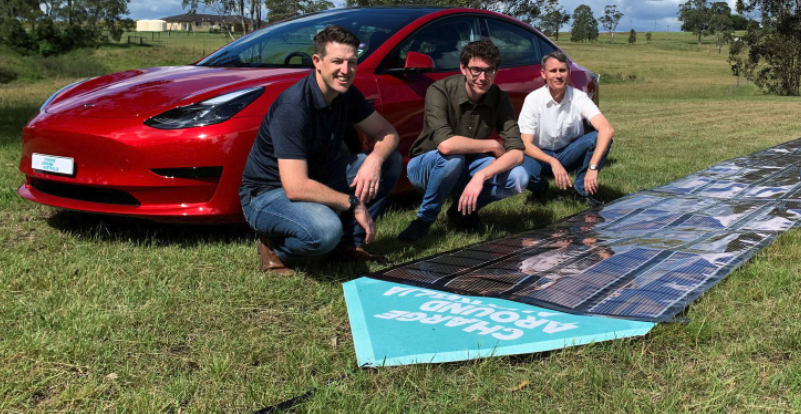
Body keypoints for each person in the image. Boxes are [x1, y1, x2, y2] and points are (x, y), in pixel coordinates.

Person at [240, 25, 402, 274]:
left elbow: (388, 133)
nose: (346, 71)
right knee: (326, 231)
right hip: (268, 193)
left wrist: (375, 160)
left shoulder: (346, 93)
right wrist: (353, 203)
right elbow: (295, 187)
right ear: (317, 61)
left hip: (316, 175)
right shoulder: (294, 107)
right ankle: (275, 247)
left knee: (389, 160)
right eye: (337, 61)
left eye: (352, 62)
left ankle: (350, 245)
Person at [399, 39, 529, 243]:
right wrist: (492, 145)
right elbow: (446, 145)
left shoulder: (499, 98)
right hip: (426, 166)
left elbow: (517, 153)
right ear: (463, 68)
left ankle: (462, 211)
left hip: (468, 166)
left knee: (519, 177)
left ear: (496, 71)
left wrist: (481, 176)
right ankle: (423, 221)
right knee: (453, 157)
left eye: (489, 71)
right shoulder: (440, 90)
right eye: (476, 70)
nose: (483, 78)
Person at [519, 50, 614, 208]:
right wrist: (552, 161)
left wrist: (593, 167)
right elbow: (525, 144)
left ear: (569, 72)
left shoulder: (579, 97)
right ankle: (541, 188)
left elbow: (607, 129)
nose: (558, 75)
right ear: (543, 74)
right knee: (522, 173)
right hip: (539, 155)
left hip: (568, 153)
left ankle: (581, 189)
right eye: (553, 71)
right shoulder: (533, 100)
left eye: (562, 70)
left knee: (599, 137)